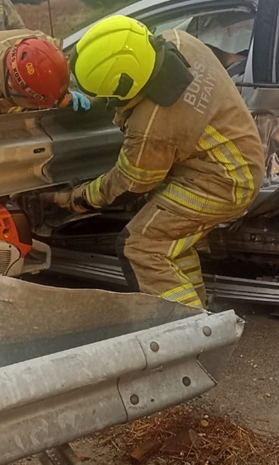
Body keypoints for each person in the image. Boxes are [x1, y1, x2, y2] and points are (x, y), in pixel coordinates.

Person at [50, 17, 264, 309]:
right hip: (240, 159)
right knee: (169, 245)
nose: (108, 101)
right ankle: (196, 310)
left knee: (140, 246)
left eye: (109, 96)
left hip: (221, 183)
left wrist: (78, 198)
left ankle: (189, 335)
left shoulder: (152, 126)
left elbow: (130, 182)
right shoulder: (178, 41)